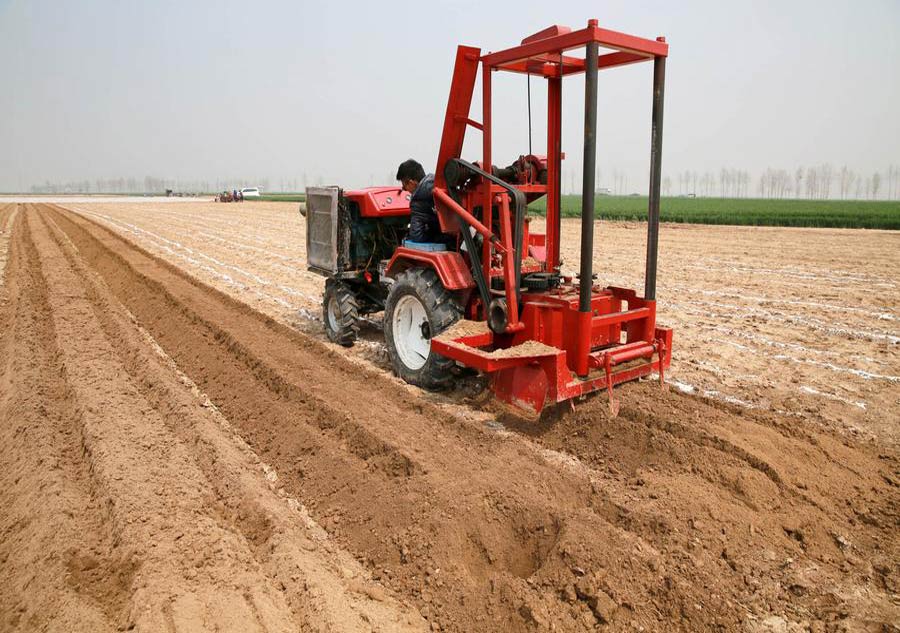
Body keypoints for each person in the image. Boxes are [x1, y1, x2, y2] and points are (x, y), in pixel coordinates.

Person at [396, 159, 441, 243]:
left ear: (411, 183)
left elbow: (417, 236)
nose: (405, 190)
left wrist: (434, 237)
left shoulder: (417, 201)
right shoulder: (440, 183)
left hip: (446, 241)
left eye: (404, 187)